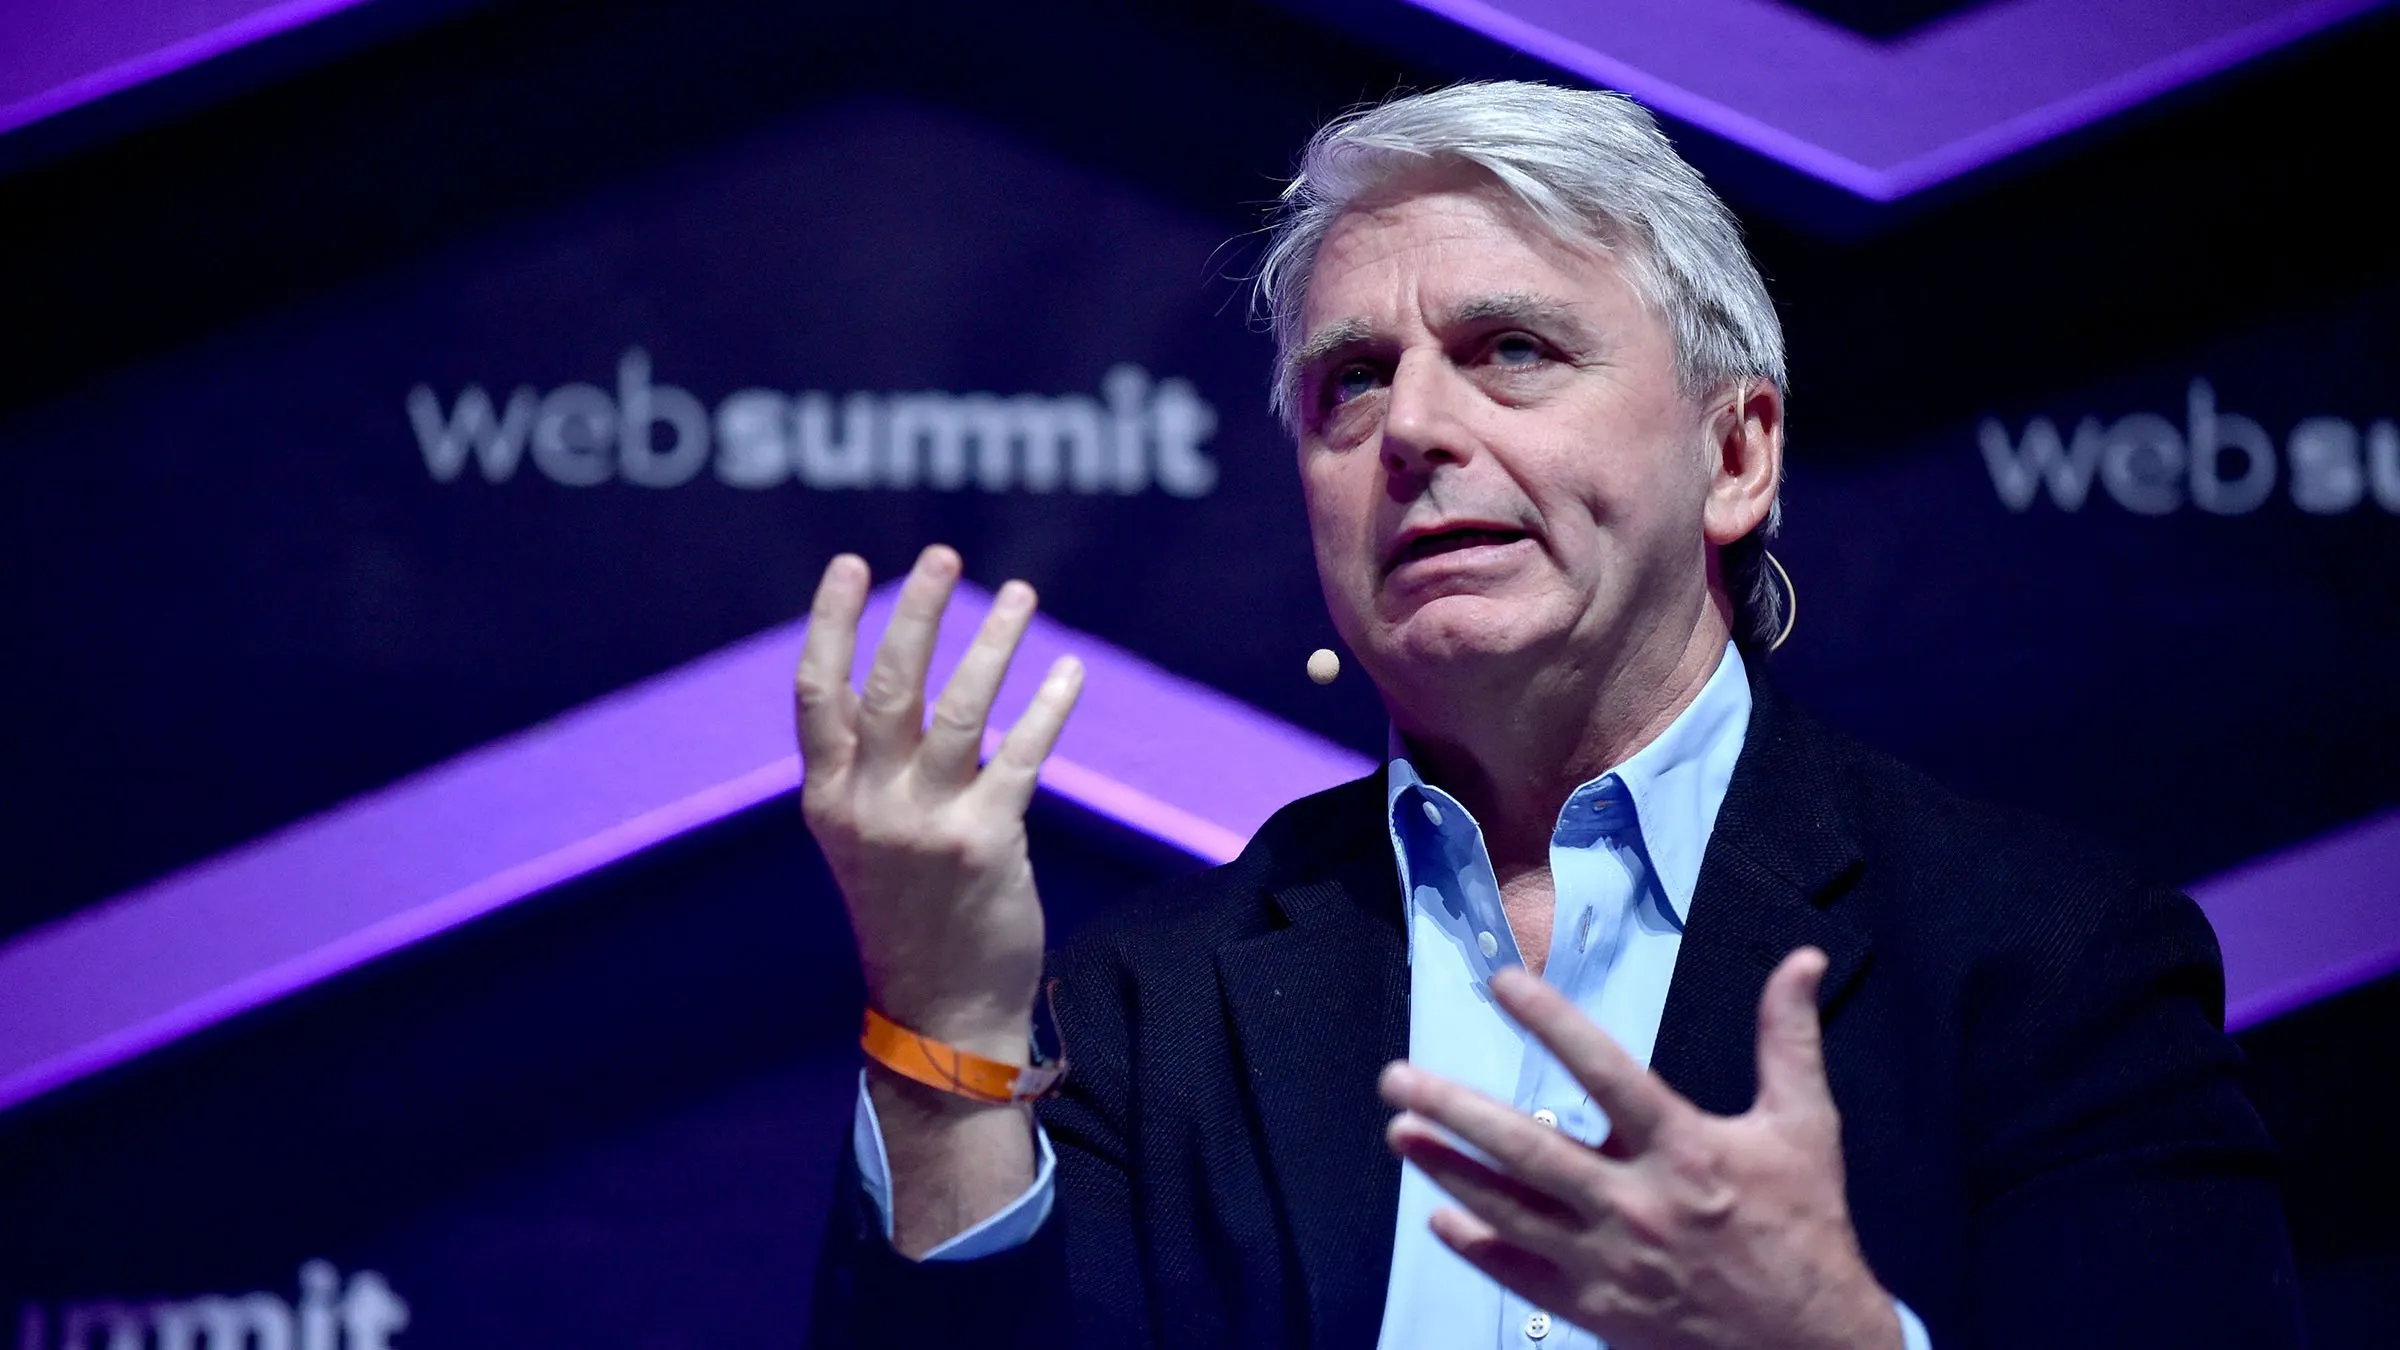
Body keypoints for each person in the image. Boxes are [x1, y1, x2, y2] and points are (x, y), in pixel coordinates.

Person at [796, 82, 2303, 1350]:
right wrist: (943, 1031)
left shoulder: (2044, 959)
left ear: (1736, 452)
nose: (1420, 431)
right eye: (1353, 382)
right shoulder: (1150, 1000)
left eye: (1512, 350)